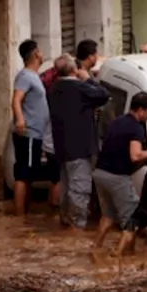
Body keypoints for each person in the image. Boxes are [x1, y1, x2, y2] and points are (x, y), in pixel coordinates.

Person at [92, 93, 147, 247]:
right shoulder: (136, 128)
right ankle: (123, 255)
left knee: (108, 215)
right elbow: (135, 155)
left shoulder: (117, 121)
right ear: (140, 110)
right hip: (117, 177)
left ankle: (96, 247)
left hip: (100, 174)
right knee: (133, 218)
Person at [48, 55, 109, 230]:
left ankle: (66, 223)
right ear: (74, 69)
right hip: (79, 148)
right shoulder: (77, 87)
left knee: (68, 188)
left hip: (61, 147)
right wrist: (88, 79)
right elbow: (103, 95)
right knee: (79, 189)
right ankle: (77, 229)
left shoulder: (55, 88)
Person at [11, 39, 57, 216]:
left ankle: (24, 214)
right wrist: (20, 120)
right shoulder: (25, 76)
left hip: (36, 134)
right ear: (36, 53)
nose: (42, 53)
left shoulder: (33, 75)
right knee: (24, 174)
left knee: (28, 175)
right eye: (40, 50)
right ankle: (20, 217)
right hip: (28, 133)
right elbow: (16, 99)